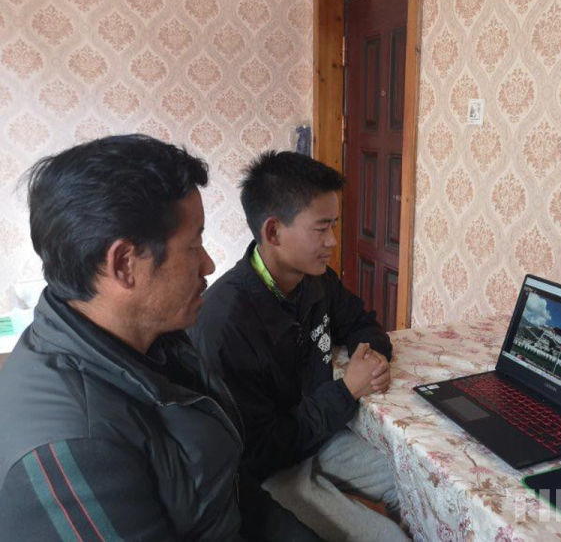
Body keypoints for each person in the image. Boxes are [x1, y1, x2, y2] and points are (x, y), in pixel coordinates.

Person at [0, 135, 319, 541]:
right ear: (125, 264)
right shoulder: (75, 444)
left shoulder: (155, 339)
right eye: (195, 244)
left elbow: (225, 488)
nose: (209, 264)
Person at [188, 151, 407, 541]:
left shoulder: (315, 279)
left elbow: (361, 322)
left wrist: (370, 355)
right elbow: (259, 449)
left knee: (418, 486)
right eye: (321, 229)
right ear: (273, 232)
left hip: (322, 434)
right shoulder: (225, 324)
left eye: (333, 226)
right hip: (268, 469)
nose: (333, 241)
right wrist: (347, 389)